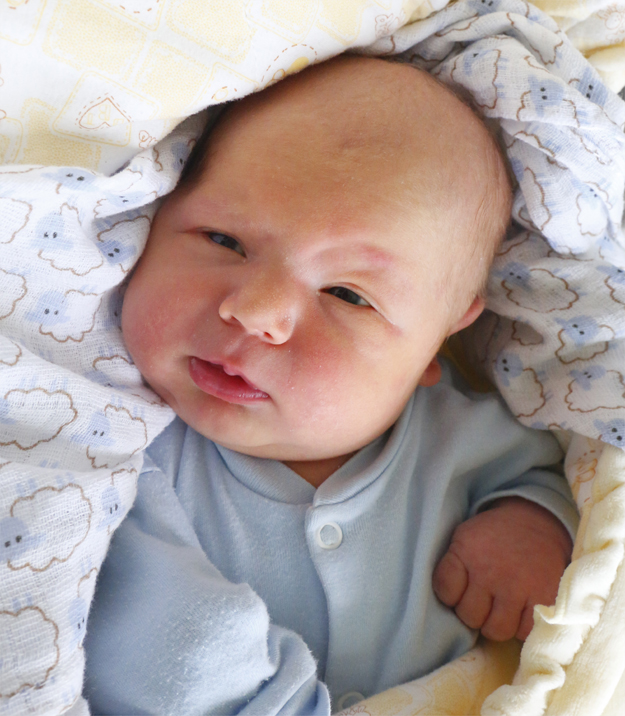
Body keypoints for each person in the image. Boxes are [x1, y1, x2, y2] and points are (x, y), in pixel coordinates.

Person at [83, 56, 578, 715]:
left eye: (347, 294)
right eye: (223, 239)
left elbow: (551, 477)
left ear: (435, 340)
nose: (255, 311)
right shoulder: (119, 450)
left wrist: (531, 522)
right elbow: (169, 656)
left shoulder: (463, 434)